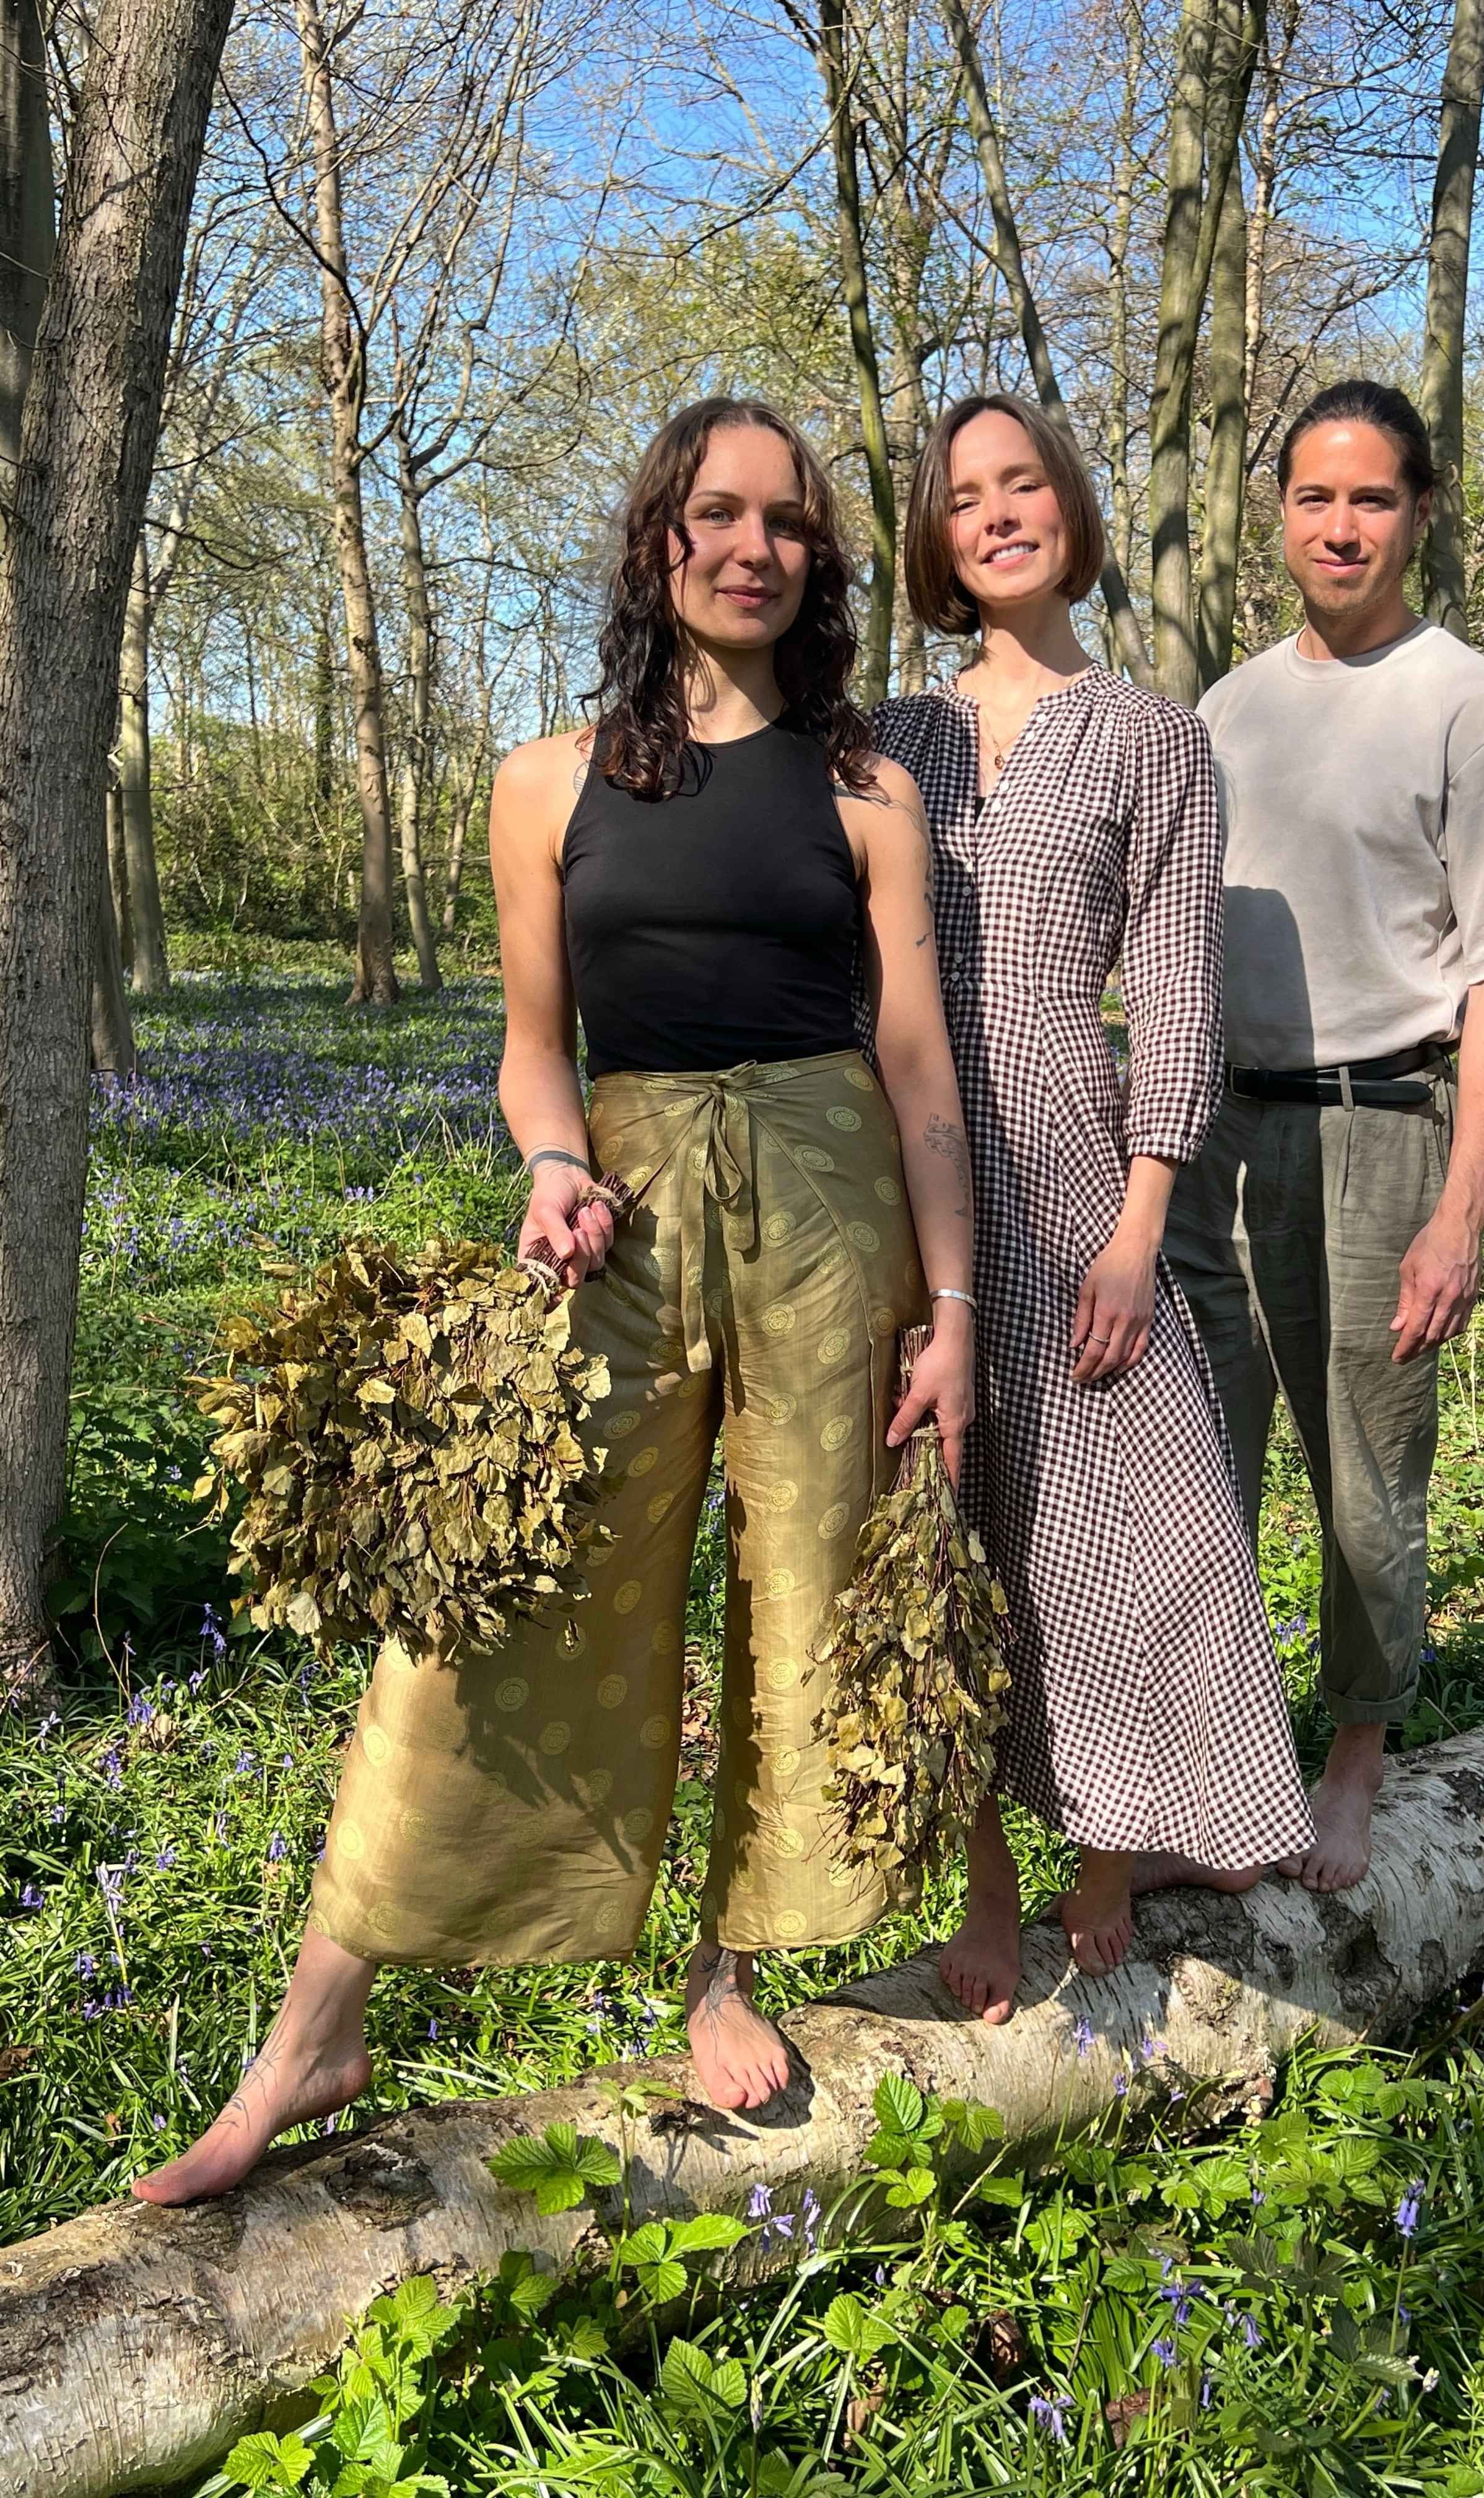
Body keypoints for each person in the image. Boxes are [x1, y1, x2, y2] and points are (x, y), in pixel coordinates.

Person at [135, 397, 977, 2202]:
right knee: (501, 1576)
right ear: (660, 539)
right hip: (631, 1199)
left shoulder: (868, 790)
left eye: (789, 522)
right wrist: (552, 1165)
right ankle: (322, 2014)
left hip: (837, 1205)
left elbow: (917, 1071)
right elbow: (536, 1055)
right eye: (718, 514)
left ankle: (727, 1969)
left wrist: (957, 1302)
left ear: (819, 561)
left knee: (807, 1572)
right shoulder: (546, 779)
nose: (755, 547)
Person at [872, 394, 1314, 2023]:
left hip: (1074, 1172)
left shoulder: (1151, 736)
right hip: (905, 1166)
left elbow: (1182, 992)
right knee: (953, 1519)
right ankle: (989, 1870)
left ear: (1072, 509)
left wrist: (1140, 1225)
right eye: (965, 495)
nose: (997, 513)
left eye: (1026, 484)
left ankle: (1114, 1844)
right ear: (936, 538)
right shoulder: (884, 739)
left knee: (1136, 1525)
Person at [1163, 377, 1484, 1895]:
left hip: (1383, 1126)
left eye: (1374, 498)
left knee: (1365, 1473)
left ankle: (1352, 1756)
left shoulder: (1470, 702)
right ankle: (1206, 1782)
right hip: (1217, 1129)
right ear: (1279, 516)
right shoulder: (1226, 709)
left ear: (1420, 514)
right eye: (1316, 497)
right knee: (1198, 1464)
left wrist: (1459, 1211)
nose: (1342, 527)